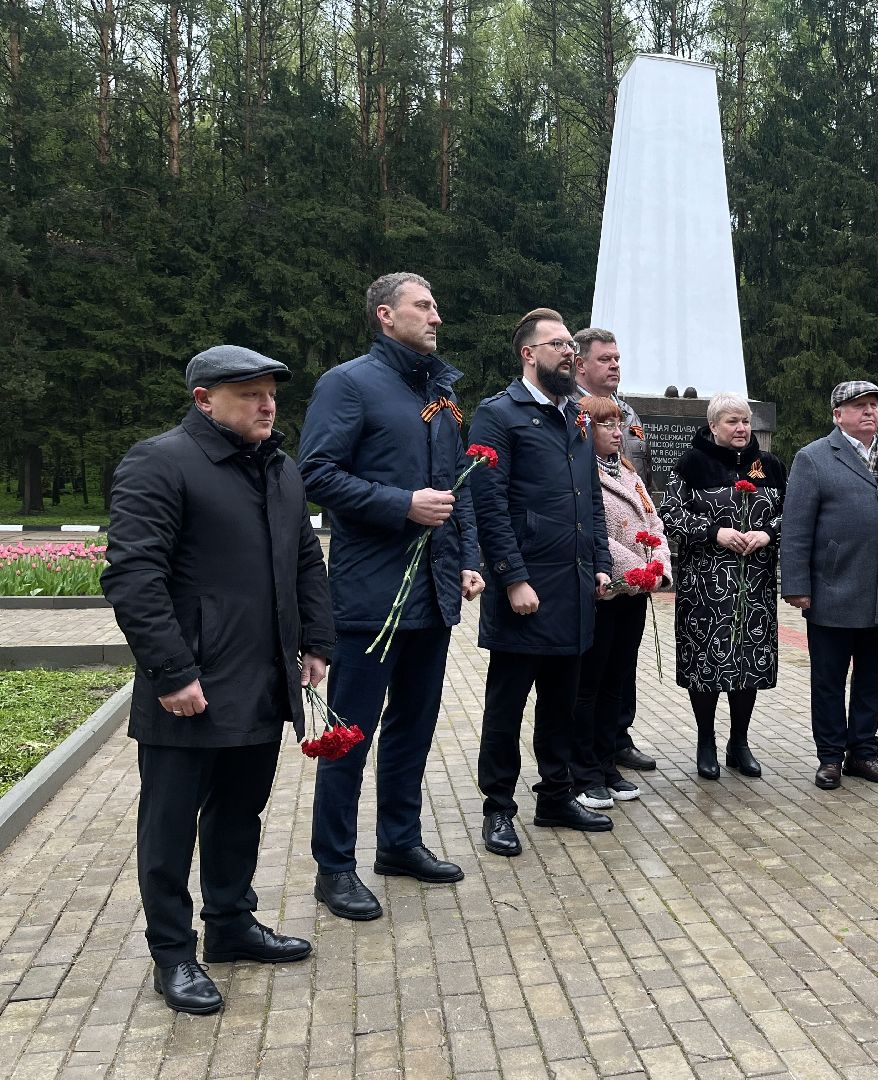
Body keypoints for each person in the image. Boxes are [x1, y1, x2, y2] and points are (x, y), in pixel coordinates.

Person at [103, 345, 335, 1015]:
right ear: (204, 400)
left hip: (262, 680)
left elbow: (305, 562)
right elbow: (133, 575)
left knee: (239, 813)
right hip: (190, 687)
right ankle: (172, 954)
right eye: (249, 394)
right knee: (170, 827)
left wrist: (316, 641)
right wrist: (172, 671)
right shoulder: (161, 462)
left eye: (271, 394)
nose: (267, 405)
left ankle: (230, 925)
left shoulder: (280, 470)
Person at [299, 272, 481, 921]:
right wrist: (401, 504)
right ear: (385, 315)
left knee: (413, 728)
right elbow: (316, 473)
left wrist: (468, 559)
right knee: (350, 735)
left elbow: (455, 487)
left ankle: (399, 844)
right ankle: (334, 867)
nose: (436, 316)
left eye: (436, 306)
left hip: (432, 594)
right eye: (423, 306)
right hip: (369, 597)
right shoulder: (348, 384)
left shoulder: (441, 393)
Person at [468, 308, 614, 858]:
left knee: (562, 704)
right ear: (528, 354)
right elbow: (489, 505)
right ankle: (498, 808)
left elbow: (590, 498)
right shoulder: (498, 415)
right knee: (506, 708)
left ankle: (555, 795)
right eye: (557, 344)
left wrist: (601, 561)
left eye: (571, 344)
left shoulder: (576, 415)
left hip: (573, 587)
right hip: (525, 591)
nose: (569, 352)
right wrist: (512, 579)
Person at [780, 381, 878, 790]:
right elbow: (796, 529)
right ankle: (830, 757)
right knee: (829, 681)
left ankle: (863, 753)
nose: (869, 412)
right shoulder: (813, 458)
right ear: (837, 414)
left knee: (874, 680)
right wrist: (796, 584)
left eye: (874, 405)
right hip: (833, 589)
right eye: (859, 405)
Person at [659, 392, 785, 781]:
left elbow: (793, 513)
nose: (742, 428)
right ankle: (705, 741)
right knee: (705, 665)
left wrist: (767, 534)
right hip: (705, 587)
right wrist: (715, 532)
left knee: (748, 662)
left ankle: (739, 742)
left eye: (745, 421)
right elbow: (669, 515)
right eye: (732, 421)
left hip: (754, 586)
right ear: (713, 426)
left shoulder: (770, 466)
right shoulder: (691, 463)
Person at [570, 394, 673, 810]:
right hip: (605, 590)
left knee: (617, 679)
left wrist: (659, 566)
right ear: (584, 429)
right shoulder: (581, 470)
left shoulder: (628, 471)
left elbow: (655, 522)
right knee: (590, 684)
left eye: (619, 424)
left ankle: (607, 761)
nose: (617, 432)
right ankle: (584, 770)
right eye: (606, 425)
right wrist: (637, 568)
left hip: (634, 593)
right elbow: (593, 531)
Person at [573, 327, 658, 773]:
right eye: (605, 359)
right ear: (580, 364)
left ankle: (617, 738)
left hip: (635, 564)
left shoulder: (628, 411)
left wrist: (653, 558)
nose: (614, 366)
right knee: (594, 671)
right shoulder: (568, 410)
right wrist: (628, 563)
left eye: (617, 359)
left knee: (622, 666)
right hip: (600, 570)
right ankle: (589, 755)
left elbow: (640, 479)